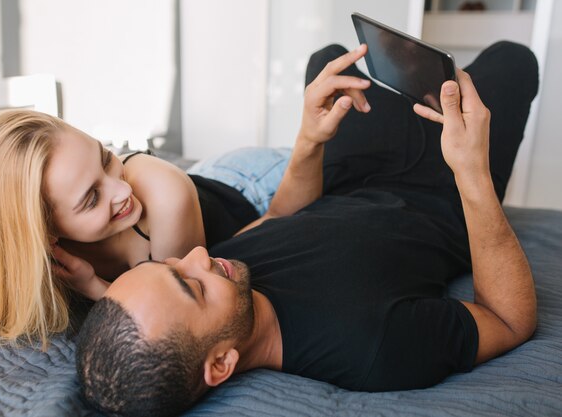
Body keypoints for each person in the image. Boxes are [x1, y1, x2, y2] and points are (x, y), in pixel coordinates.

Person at [75, 40, 539, 417]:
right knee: (512, 58)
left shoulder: (227, 275)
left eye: (171, 264)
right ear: (221, 364)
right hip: (443, 189)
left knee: (330, 59)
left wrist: (309, 139)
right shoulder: (372, 346)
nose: (197, 256)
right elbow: (509, 320)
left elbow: (278, 216)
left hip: (351, 173)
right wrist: (472, 172)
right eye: (192, 285)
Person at [0, 46, 373, 348]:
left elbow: (182, 318)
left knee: (353, 163)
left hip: (248, 182)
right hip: (198, 180)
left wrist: (94, 286)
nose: (123, 189)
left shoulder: (164, 197)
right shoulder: (23, 253)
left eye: (107, 158)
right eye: (91, 198)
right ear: (43, 231)